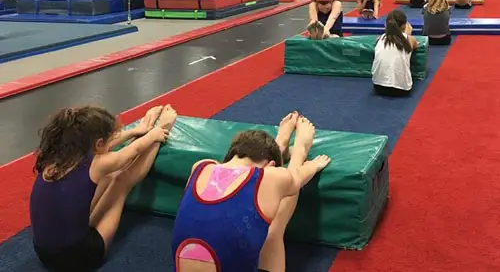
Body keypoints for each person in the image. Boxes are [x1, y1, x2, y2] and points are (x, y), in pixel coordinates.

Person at [171, 112, 331, 272]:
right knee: (275, 225)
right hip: (273, 169)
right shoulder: (269, 177)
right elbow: (297, 178)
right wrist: (303, 152)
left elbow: (230, 174)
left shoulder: (200, 167)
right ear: (271, 166)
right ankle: (292, 149)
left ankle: (279, 144)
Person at [30, 105, 178, 271]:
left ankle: (82, 231)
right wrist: (157, 131)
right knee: (122, 180)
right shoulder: (98, 163)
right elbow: (135, 149)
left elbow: (104, 146)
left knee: (108, 177)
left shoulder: (55, 157)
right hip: (78, 258)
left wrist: (136, 130)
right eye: (109, 139)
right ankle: (163, 131)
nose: (112, 143)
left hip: (43, 253)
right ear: (98, 143)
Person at [372, 10, 419, 97]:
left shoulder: (380, 38)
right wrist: (407, 34)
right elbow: (415, 46)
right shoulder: (410, 39)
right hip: (402, 90)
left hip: (379, 87)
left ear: (386, 25)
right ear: (404, 25)